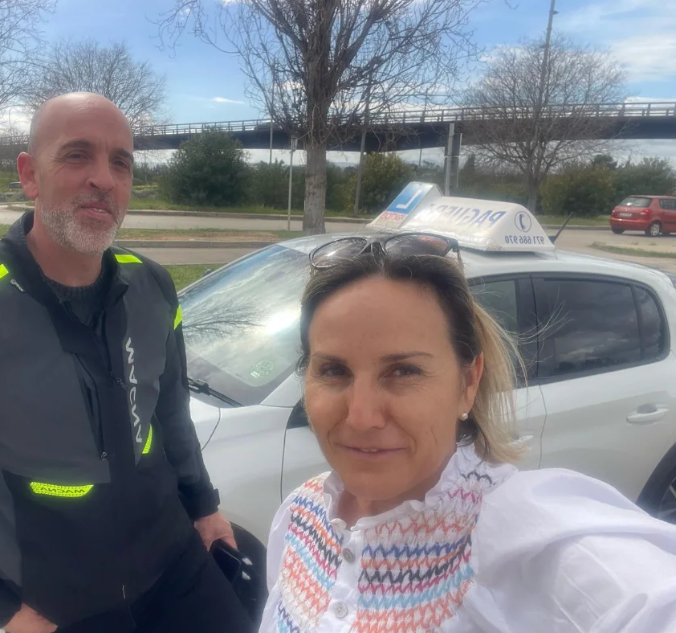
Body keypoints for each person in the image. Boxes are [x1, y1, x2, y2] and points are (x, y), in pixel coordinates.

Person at [0, 92, 253, 633]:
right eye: (77, 155)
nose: (103, 179)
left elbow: (170, 414)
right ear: (30, 175)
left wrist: (203, 505)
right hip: (58, 611)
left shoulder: (153, 286)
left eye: (121, 162)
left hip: (177, 571)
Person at [258, 235, 676, 633]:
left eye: (403, 371)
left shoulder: (513, 531)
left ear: (468, 382)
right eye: (333, 371)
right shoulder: (301, 514)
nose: (361, 416)